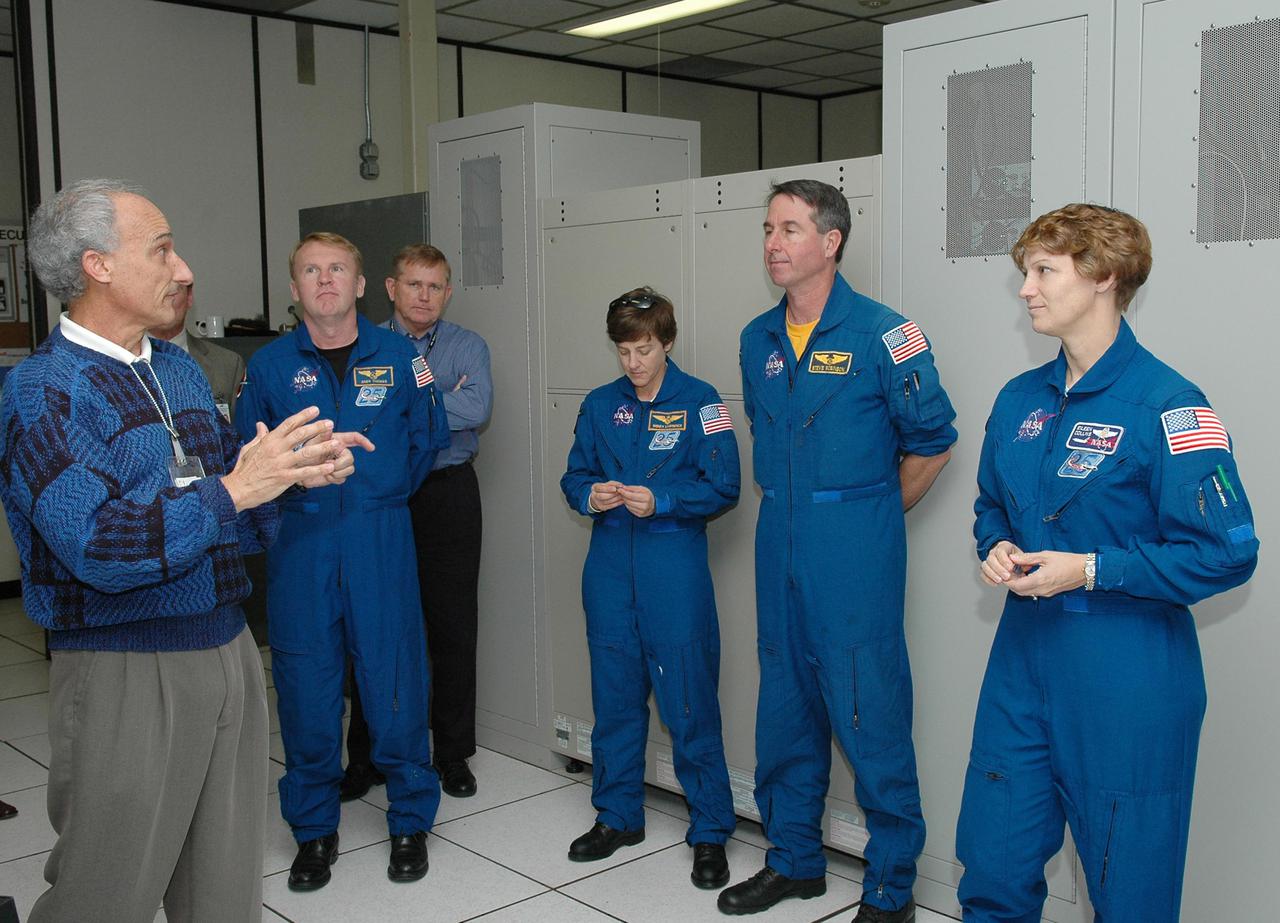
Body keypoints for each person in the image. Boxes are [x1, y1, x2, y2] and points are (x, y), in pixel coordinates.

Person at [1, 178, 358, 922]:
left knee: (224, 887)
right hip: (124, 668)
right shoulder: (42, 391)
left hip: (227, 649)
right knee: (107, 890)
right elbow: (97, 542)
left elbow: (229, 504)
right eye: (161, 249)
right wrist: (235, 490)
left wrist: (289, 477)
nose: (184, 268)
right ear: (98, 265)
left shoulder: (179, 370)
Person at [957, 204, 1259, 921]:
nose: (1025, 288)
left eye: (1043, 271)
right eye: (1025, 272)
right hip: (1022, 664)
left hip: (1128, 675)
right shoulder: (1020, 400)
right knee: (994, 862)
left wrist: (1092, 569)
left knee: (1131, 889)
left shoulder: (1170, 405)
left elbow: (1226, 550)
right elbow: (991, 504)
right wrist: (994, 544)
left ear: (1105, 276)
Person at [721, 180, 956, 922]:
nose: (773, 242)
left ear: (832, 241)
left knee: (869, 709)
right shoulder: (757, 337)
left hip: (853, 547)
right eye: (768, 228)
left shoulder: (887, 334)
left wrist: (871, 515)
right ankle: (794, 860)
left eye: (790, 228)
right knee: (785, 706)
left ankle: (891, 885)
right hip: (777, 537)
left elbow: (933, 442)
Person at [236, 232, 450, 890]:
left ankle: (410, 818)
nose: (324, 280)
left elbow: (426, 441)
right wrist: (302, 489)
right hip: (300, 542)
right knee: (306, 685)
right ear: (295, 289)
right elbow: (249, 462)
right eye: (310, 270)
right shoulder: (269, 368)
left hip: (378, 534)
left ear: (361, 284)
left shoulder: (401, 357)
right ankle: (313, 829)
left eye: (337, 269)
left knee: (394, 677)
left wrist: (374, 494)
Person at [561, 287, 739, 890]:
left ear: (667, 342)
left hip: (673, 570)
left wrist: (662, 499)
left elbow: (725, 486)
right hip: (609, 565)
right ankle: (617, 816)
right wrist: (591, 494)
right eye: (623, 351)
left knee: (689, 702)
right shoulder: (598, 404)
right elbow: (574, 473)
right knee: (614, 700)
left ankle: (710, 830)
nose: (633, 363)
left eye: (643, 349)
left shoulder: (702, 402)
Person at [341, 244, 493, 802]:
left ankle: (451, 755)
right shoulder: (367, 346)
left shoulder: (466, 346)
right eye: (414, 285)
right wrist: (432, 402)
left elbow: (476, 409)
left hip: (449, 494)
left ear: (447, 292)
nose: (424, 296)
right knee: (374, 627)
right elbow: (356, 416)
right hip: (382, 497)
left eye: (435, 287)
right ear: (390, 288)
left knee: (452, 628)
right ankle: (366, 759)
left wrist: (400, 407)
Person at [151, 281, 246, 422]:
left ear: (189, 297)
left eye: (172, 292)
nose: (166, 301)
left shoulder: (228, 363)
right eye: (156, 292)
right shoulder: (118, 362)